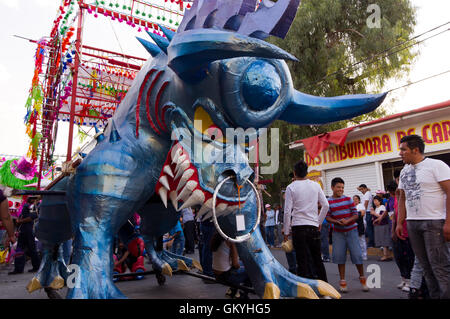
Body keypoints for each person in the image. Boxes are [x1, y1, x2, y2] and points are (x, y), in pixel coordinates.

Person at [396, 134, 450, 299]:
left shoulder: (436, 165)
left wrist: (448, 222)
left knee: (440, 267)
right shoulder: (405, 171)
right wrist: (399, 223)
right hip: (413, 224)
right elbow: (402, 198)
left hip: (434, 223)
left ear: (415, 149)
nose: (400, 153)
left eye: (403, 149)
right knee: (426, 268)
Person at [283, 160, 329, 282]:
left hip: (298, 228)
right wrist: (318, 222)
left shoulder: (290, 187)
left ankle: (306, 291)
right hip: (313, 227)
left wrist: (286, 231)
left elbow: (287, 211)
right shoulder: (315, 185)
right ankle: (326, 291)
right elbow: (326, 205)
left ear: (294, 173)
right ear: (306, 172)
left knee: (302, 261)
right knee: (317, 260)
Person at [327, 177, 369, 292]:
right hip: (338, 233)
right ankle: (343, 281)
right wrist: (337, 222)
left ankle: (362, 278)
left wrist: (348, 220)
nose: (341, 189)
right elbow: (328, 217)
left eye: (342, 187)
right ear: (332, 188)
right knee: (340, 256)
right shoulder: (328, 202)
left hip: (352, 231)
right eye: (338, 187)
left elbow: (356, 215)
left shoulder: (348, 200)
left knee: (357, 255)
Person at [389, 178, 415, 293]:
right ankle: (404, 279)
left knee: (409, 257)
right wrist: (393, 230)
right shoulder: (396, 198)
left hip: (408, 232)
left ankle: (410, 281)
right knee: (399, 257)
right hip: (398, 231)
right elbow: (395, 215)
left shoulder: (409, 196)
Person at [211, 231, 251, 299]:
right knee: (250, 271)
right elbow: (235, 264)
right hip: (225, 276)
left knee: (242, 264)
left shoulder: (216, 238)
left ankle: (232, 291)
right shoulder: (230, 242)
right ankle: (242, 294)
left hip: (216, 273)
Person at [8, 196, 41, 275]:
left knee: (31, 249)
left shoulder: (34, 206)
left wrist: (20, 221)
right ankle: (19, 268)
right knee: (20, 248)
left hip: (29, 230)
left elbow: (32, 217)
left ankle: (35, 266)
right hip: (23, 230)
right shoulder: (26, 205)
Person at [370, 195, 392, 261]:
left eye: (376, 200)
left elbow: (382, 216)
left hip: (383, 225)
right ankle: (387, 255)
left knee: (384, 240)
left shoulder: (382, 207)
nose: (375, 202)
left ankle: (386, 255)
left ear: (380, 201)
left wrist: (374, 213)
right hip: (378, 226)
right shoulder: (376, 208)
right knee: (382, 241)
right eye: (374, 201)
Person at [353, 195, 367, 261]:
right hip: (354, 225)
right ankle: (359, 254)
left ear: (359, 200)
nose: (355, 200)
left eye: (356, 199)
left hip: (361, 224)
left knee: (362, 240)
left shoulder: (360, 205)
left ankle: (364, 255)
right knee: (356, 240)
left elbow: (362, 213)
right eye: (353, 199)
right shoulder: (353, 207)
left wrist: (355, 215)